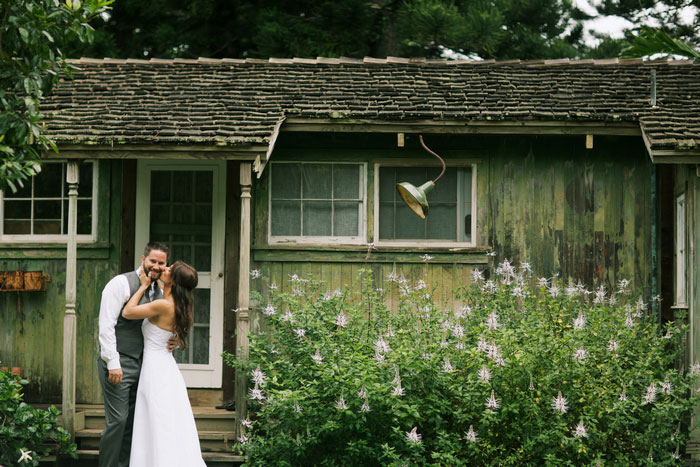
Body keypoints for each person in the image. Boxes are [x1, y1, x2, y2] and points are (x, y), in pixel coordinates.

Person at [122, 260, 206, 467]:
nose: (165, 269)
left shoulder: (163, 305)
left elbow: (128, 312)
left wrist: (142, 286)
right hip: (166, 367)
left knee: (155, 421)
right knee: (167, 421)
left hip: (155, 370)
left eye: (169, 270)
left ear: (174, 281)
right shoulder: (180, 305)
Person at [97, 242, 171, 467]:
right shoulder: (120, 283)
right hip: (119, 362)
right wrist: (112, 363)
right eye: (152, 261)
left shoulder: (159, 291)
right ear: (143, 259)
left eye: (161, 263)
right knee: (118, 421)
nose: (156, 266)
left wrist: (173, 339)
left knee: (134, 422)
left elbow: (159, 325)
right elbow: (106, 325)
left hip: (144, 364)